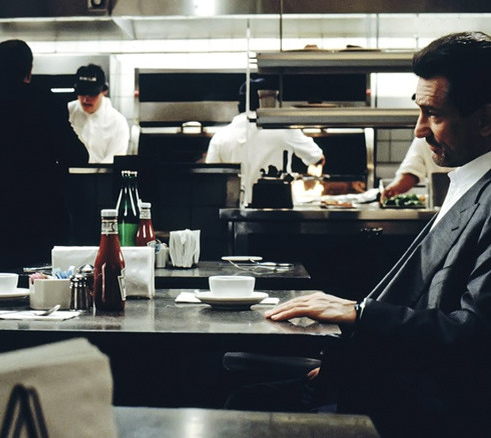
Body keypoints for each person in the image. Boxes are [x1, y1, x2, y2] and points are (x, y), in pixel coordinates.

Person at [263, 31, 491, 437]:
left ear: (486, 119)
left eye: (433, 114)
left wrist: (359, 313)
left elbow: (473, 337)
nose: (419, 131)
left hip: (423, 414)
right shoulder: (467, 183)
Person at [0, 40, 87, 272]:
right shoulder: (47, 101)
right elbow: (77, 156)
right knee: (38, 284)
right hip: (38, 217)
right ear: (29, 69)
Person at [206, 78, 325, 206]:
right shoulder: (284, 129)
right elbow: (317, 158)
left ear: (239, 104)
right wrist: (312, 180)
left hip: (234, 214)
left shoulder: (220, 137)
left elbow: (210, 182)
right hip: (277, 212)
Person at [68, 64, 129, 164]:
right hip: (69, 177)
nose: (85, 99)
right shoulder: (66, 112)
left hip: (102, 178)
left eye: (92, 94)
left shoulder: (117, 122)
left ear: (104, 91)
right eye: (82, 92)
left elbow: (114, 160)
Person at [382, 136, 454, 198]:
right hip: (439, 205)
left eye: (435, 119)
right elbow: (412, 170)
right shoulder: (423, 138)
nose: (418, 131)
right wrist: (394, 188)